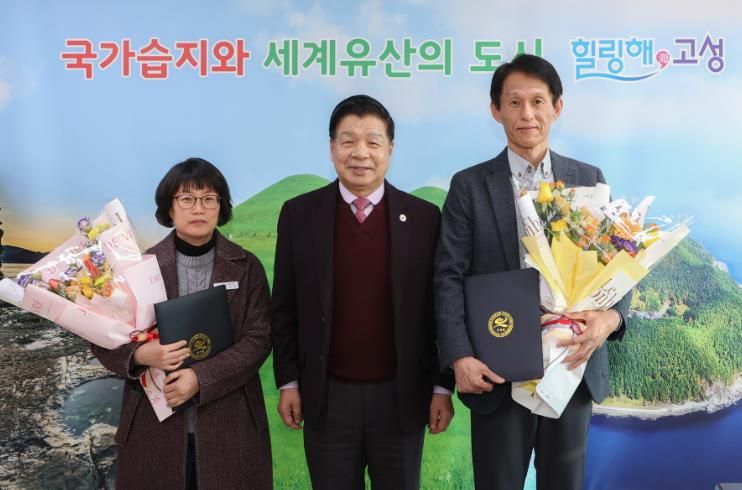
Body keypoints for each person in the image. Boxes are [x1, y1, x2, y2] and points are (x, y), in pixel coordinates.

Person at [434, 54, 630, 490]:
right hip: (497, 369)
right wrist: (459, 355)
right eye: (514, 102)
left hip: (572, 362)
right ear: (496, 110)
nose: (527, 114)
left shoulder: (588, 178)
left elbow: (618, 260)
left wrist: (611, 317)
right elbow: (448, 276)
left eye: (538, 101)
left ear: (557, 107)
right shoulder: (469, 186)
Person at [271, 95, 455, 489]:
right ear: (331, 147)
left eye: (373, 142)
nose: (360, 153)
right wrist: (288, 382)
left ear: (390, 148)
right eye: (348, 141)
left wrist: (442, 385)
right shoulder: (299, 214)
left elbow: (440, 310)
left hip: (401, 396)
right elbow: (285, 307)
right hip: (327, 397)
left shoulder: (423, 218)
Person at [92, 158, 272, 489]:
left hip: (230, 423)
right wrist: (142, 354)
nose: (198, 208)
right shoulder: (139, 267)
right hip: (153, 427)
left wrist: (201, 378)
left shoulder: (247, 267)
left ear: (221, 206)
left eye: (209, 198)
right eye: (186, 198)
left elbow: (258, 339)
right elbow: (103, 336)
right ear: (169, 207)